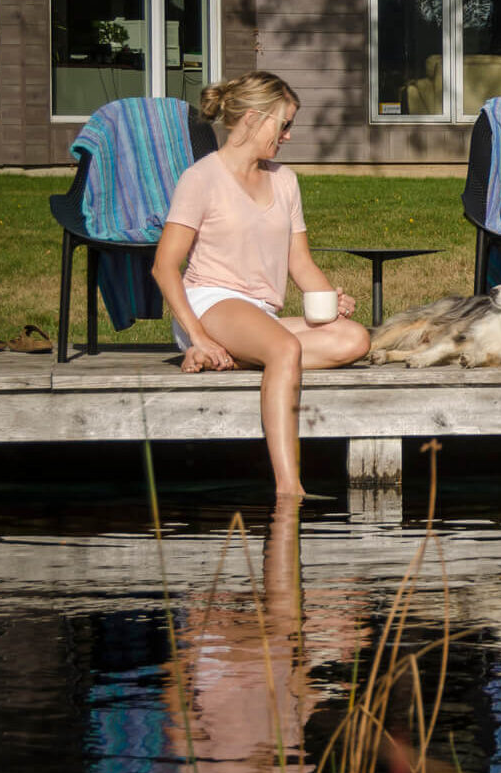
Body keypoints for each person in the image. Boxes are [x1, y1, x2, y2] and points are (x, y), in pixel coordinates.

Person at [152, 71, 371, 497]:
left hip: (257, 316)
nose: (288, 135)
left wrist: (328, 299)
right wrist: (196, 336)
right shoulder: (201, 179)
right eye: (284, 124)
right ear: (253, 119)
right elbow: (164, 266)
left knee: (354, 339)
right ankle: (289, 487)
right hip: (210, 304)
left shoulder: (284, 181)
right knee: (286, 348)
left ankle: (244, 355)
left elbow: (300, 262)